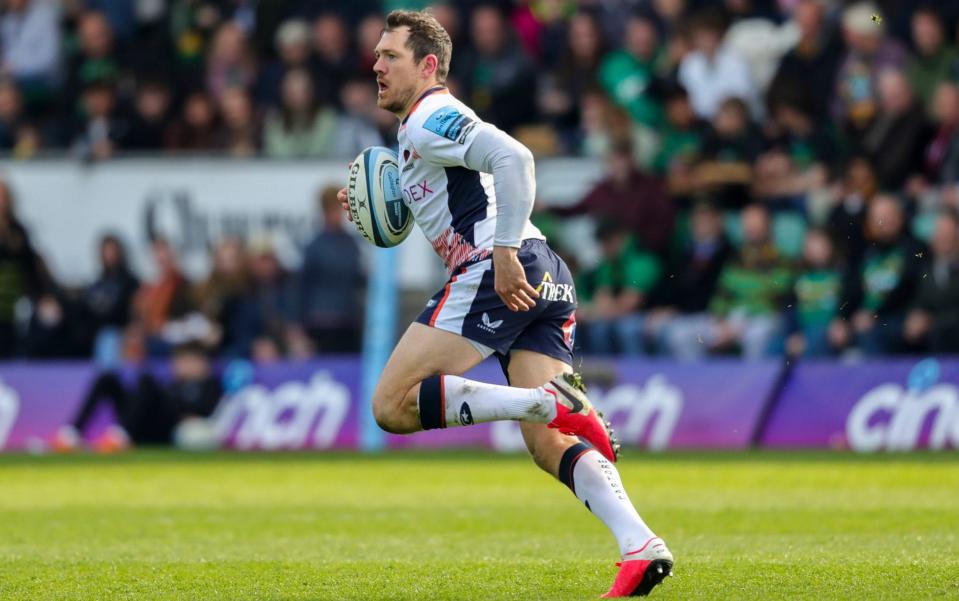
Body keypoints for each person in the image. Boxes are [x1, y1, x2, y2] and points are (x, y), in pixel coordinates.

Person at [336, 11, 673, 597]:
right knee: (551, 448)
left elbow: (515, 158)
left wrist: (504, 251)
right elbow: (455, 198)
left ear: (428, 65)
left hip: (500, 271)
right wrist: (374, 201)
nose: (376, 64)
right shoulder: (418, 133)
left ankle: (544, 401)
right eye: (377, 54)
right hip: (543, 272)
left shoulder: (430, 116)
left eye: (390, 55)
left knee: (391, 404)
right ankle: (641, 545)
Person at [52, 341, 223, 452]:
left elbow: (206, 412)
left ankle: (120, 437)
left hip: (167, 431)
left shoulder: (210, 385)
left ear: (201, 363)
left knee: (147, 381)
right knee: (108, 379)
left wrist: (184, 413)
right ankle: (70, 434)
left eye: (184, 360)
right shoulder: (173, 384)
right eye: (177, 360)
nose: (178, 365)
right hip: (143, 424)